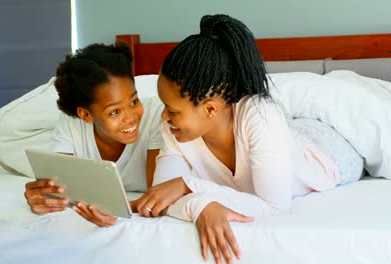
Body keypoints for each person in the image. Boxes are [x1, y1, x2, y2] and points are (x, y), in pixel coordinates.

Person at [135, 14, 341, 264]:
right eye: (165, 106)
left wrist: (190, 185)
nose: (164, 115)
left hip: (327, 151)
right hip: (273, 138)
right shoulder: (173, 124)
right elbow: (162, 197)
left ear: (210, 109)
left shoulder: (261, 115)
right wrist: (200, 205)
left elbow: (274, 208)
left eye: (173, 110)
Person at [24, 41, 163, 227]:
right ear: (86, 115)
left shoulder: (156, 115)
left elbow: (157, 193)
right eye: (114, 112)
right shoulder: (71, 122)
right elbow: (60, 190)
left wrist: (116, 209)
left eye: (134, 101)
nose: (130, 118)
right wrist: (42, 198)